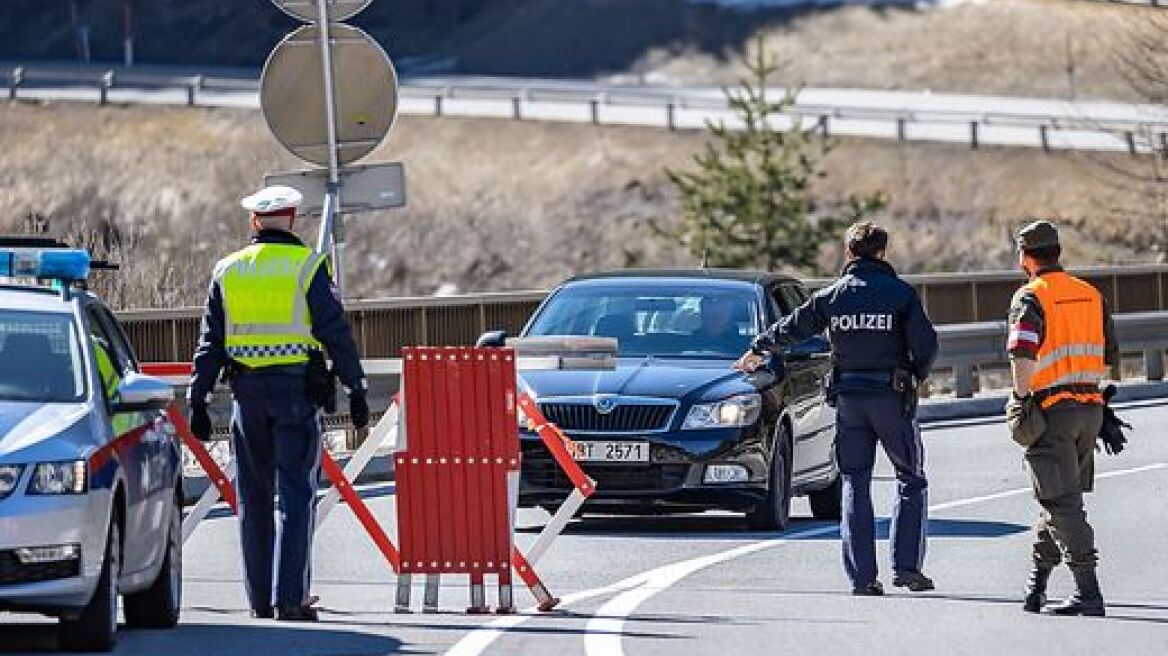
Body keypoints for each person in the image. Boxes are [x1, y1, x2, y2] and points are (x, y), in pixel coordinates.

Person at [187, 185, 370, 622]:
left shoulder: (226, 271)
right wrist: (356, 387)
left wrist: (197, 399)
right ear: (292, 219)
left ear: (255, 222)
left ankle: (259, 603)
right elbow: (334, 333)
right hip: (295, 398)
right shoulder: (307, 267)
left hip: (246, 400)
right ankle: (290, 599)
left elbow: (210, 344)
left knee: (252, 500)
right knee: (296, 496)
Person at [734, 221, 938, 596]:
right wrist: (916, 377)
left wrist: (759, 347)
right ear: (883, 253)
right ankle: (907, 568)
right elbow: (926, 346)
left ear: (849, 253)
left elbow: (794, 326)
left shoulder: (833, 297)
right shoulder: (901, 294)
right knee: (910, 478)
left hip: (849, 400)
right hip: (891, 400)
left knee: (855, 483)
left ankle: (862, 578)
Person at [1007, 220, 1117, 617]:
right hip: (1090, 407)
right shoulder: (1090, 293)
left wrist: (1021, 399)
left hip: (1052, 410)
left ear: (1025, 257)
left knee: (1061, 502)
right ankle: (1036, 589)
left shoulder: (1030, 296)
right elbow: (1109, 356)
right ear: (1058, 252)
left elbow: (1022, 353)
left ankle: (1088, 592)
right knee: (1058, 500)